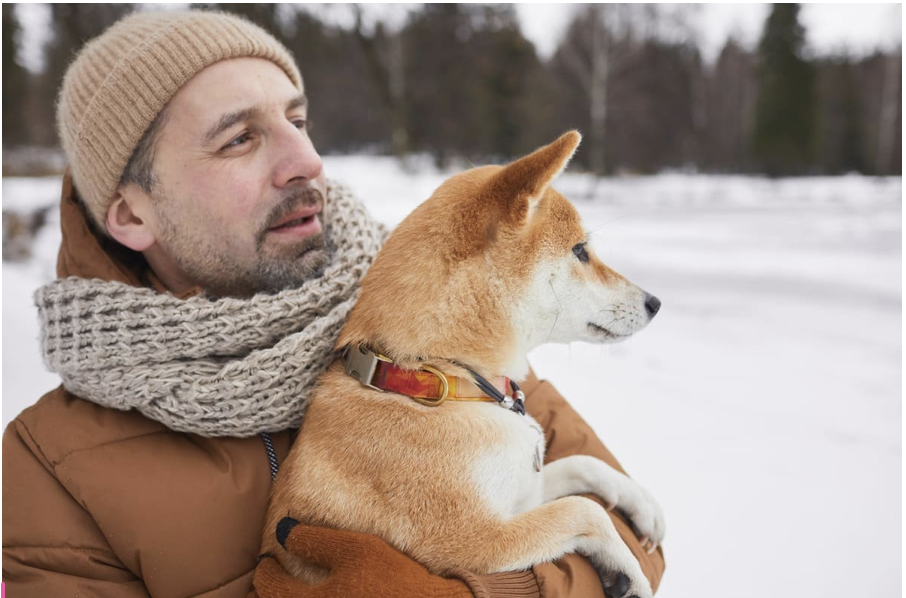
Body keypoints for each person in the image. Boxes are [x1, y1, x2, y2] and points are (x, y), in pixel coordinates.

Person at [2, 10, 665, 598]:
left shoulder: (440, 324)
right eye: (238, 138)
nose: (305, 160)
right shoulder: (47, 470)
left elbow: (637, 547)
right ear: (130, 213)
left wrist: (489, 592)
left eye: (298, 120)